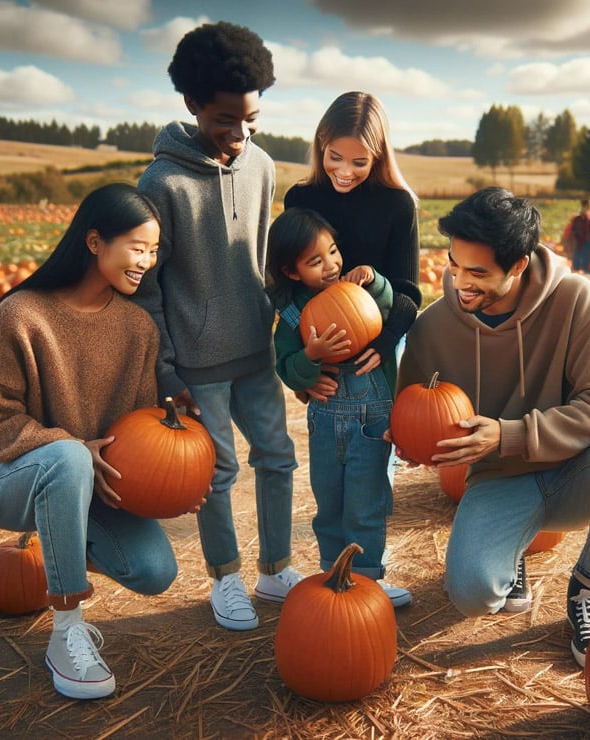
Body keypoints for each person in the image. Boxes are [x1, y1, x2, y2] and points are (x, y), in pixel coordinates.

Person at [393, 187, 590, 668]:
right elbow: (417, 412)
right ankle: (510, 547)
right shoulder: (433, 329)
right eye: (455, 265)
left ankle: (588, 587)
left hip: (575, 470)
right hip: (497, 481)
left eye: (478, 272)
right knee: (474, 596)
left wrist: (508, 433)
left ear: (518, 265)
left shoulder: (576, 300)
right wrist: (412, 445)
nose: (460, 282)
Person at [0, 183, 177, 701]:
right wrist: (70, 446)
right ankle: (66, 629)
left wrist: (168, 485)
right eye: (137, 247)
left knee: (155, 570)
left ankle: (63, 545)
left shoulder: (138, 328)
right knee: (69, 457)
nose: (147, 261)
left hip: (86, 484)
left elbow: (134, 431)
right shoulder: (23, 313)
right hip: (7, 475)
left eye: (154, 250)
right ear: (95, 241)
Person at [134, 21, 302, 632]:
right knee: (219, 472)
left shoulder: (262, 166)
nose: (240, 133)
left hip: (255, 348)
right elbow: (149, 288)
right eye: (225, 121)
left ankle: (276, 567)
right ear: (192, 106)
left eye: (251, 118)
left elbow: (262, 258)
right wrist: (165, 367)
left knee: (279, 457)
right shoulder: (161, 183)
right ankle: (226, 577)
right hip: (197, 362)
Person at [267, 207, 415, 607]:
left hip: (372, 420)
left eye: (333, 252)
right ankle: (335, 575)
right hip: (326, 423)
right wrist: (310, 358)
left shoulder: (359, 291)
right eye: (316, 261)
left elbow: (388, 307)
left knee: (366, 504)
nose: (331, 265)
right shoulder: (294, 317)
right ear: (292, 272)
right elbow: (287, 368)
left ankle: (366, 583)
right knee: (328, 502)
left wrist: (375, 279)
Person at [283, 91, 419, 391]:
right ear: (322, 143)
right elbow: (291, 289)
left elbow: (408, 293)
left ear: (378, 155)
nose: (345, 172)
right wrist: (303, 376)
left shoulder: (397, 204)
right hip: (322, 351)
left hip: (380, 347)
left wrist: (385, 345)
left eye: (359, 162)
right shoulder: (300, 198)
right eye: (335, 158)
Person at [567, 198, 590, 273]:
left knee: (583, 252)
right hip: (582, 236)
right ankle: (577, 268)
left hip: (584, 236)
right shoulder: (584, 216)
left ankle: (580, 268)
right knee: (581, 252)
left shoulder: (586, 215)